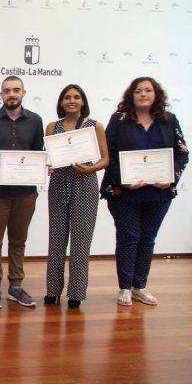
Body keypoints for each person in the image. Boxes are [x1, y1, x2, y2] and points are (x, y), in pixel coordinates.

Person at [101, 77, 188, 307]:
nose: (142, 94)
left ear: (156, 94)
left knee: (148, 239)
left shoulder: (169, 120)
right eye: (138, 91)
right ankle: (124, 288)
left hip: (158, 193)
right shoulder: (119, 120)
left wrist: (170, 178)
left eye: (148, 90)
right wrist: (123, 180)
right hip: (123, 193)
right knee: (129, 237)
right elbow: (107, 154)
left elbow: (182, 153)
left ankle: (139, 286)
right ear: (131, 95)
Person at [44, 84, 109, 308]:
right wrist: (47, 165)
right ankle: (52, 290)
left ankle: (76, 294)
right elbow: (48, 157)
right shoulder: (52, 127)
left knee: (81, 242)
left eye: (76, 97)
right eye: (67, 97)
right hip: (59, 184)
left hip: (85, 184)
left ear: (83, 101)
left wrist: (91, 169)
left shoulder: (94, 126)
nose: (72, 100)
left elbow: (105, 159)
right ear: (61, 102)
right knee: (56, 240)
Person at [0, 76, 44, 309]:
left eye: (16, 90)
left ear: (23, 93)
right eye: (7, 90)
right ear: (1, 94)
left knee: (18, 241)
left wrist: (43, 164)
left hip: (26, 193)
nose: (11, 94)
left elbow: (39, 152)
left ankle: (16, 287)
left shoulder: (35, 121)